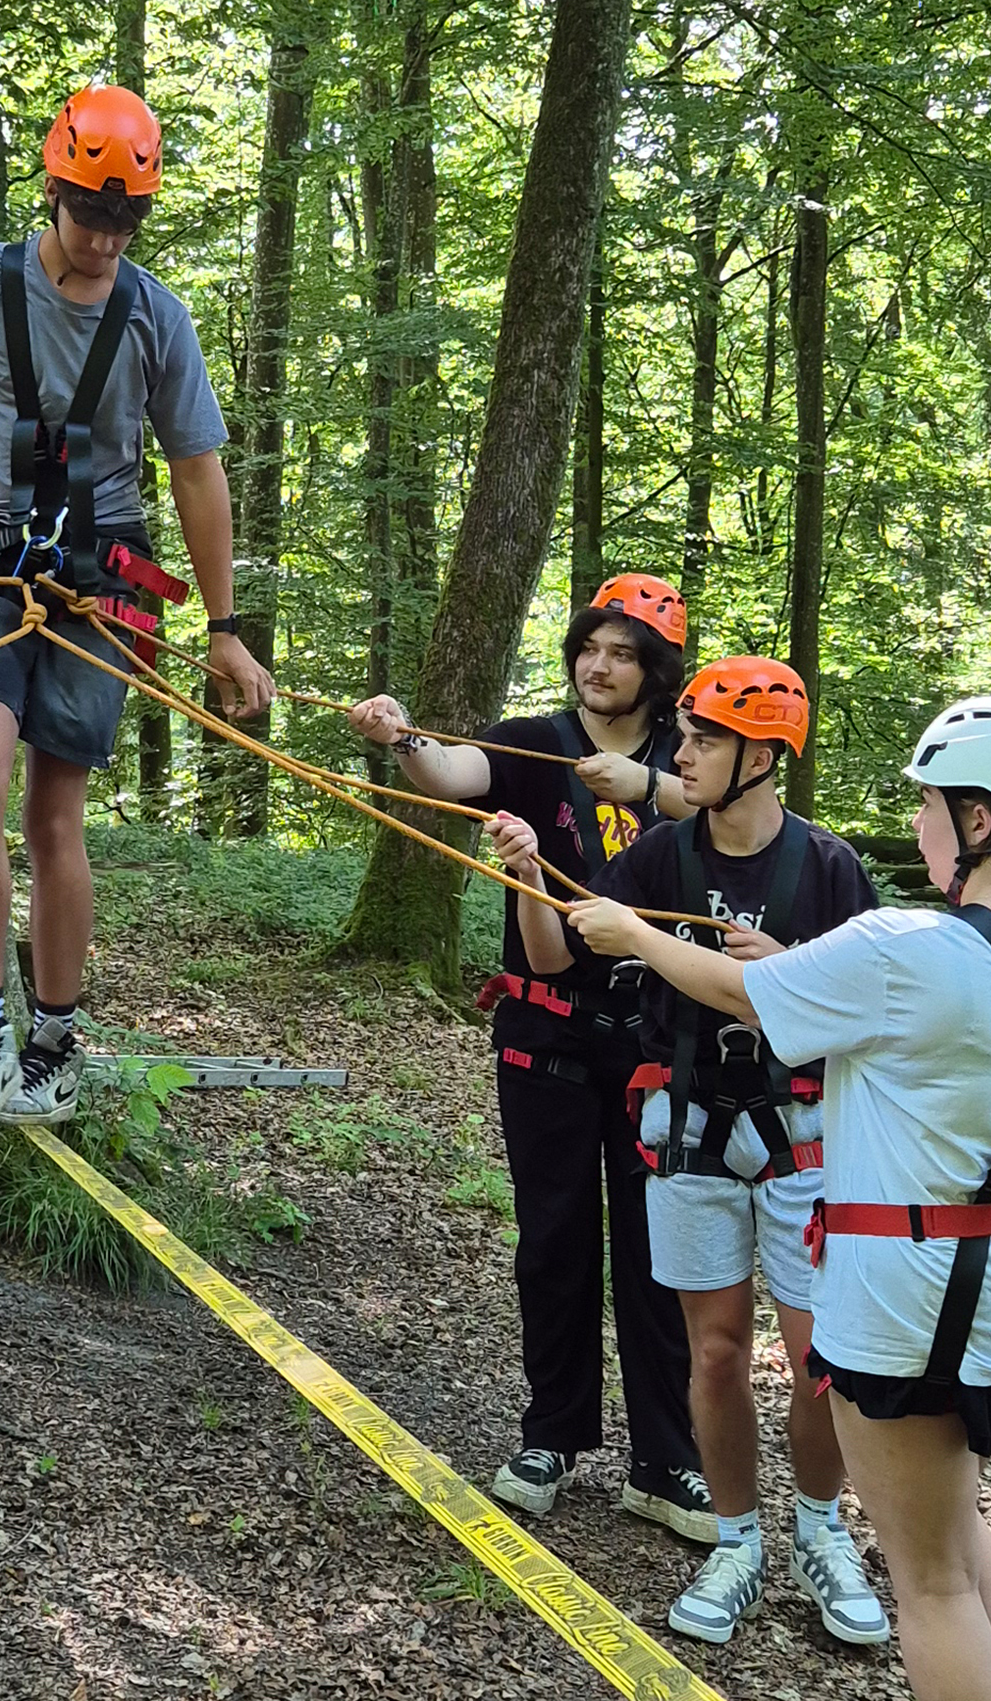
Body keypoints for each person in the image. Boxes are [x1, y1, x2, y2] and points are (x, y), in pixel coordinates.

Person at [569, 694, 991, 1701]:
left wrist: (633, 936)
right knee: (957, 1535)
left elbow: (741, 996)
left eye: (930, 804)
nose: (916, 820)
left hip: (911, 1299)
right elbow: (877, 1022)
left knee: (929, 1581)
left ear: (980, 822)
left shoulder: (909, 946)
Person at [0, 82, 271, 1152]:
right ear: (53, 190)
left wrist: (223, 627)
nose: (101, 236)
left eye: (123, 219)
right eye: (88, 210)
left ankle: (56, 1043)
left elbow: (197, 473)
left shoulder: (154, 317)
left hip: (99, 580)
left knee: (54, 817)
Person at [501, 655, 887, 1648]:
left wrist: (795, 978)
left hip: (801, 1135)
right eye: (684, 734)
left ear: (763, 756)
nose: (680, 753)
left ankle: (817, 1527)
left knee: (819, 1362)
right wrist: (527, 876)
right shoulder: (657, 861)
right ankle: (735, 1537)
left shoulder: (829, 870)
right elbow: (557, 956)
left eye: (705, 739)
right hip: (687, 1128)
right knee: (712, 1354)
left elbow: (878, 1021)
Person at [347, 575, 713, 1543]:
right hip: (546, 1026)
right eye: (590, 647)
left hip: (655, 1038)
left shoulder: (689, 760)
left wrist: (643, 786)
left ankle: (666, 1457)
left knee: (654, 1251)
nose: (599, 666)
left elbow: (730, 815)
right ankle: (552, 1431)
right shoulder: (536, 740)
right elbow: (458, 773)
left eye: (622, 653)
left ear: (655, 672)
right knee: (552, 1237)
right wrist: (400, 736)